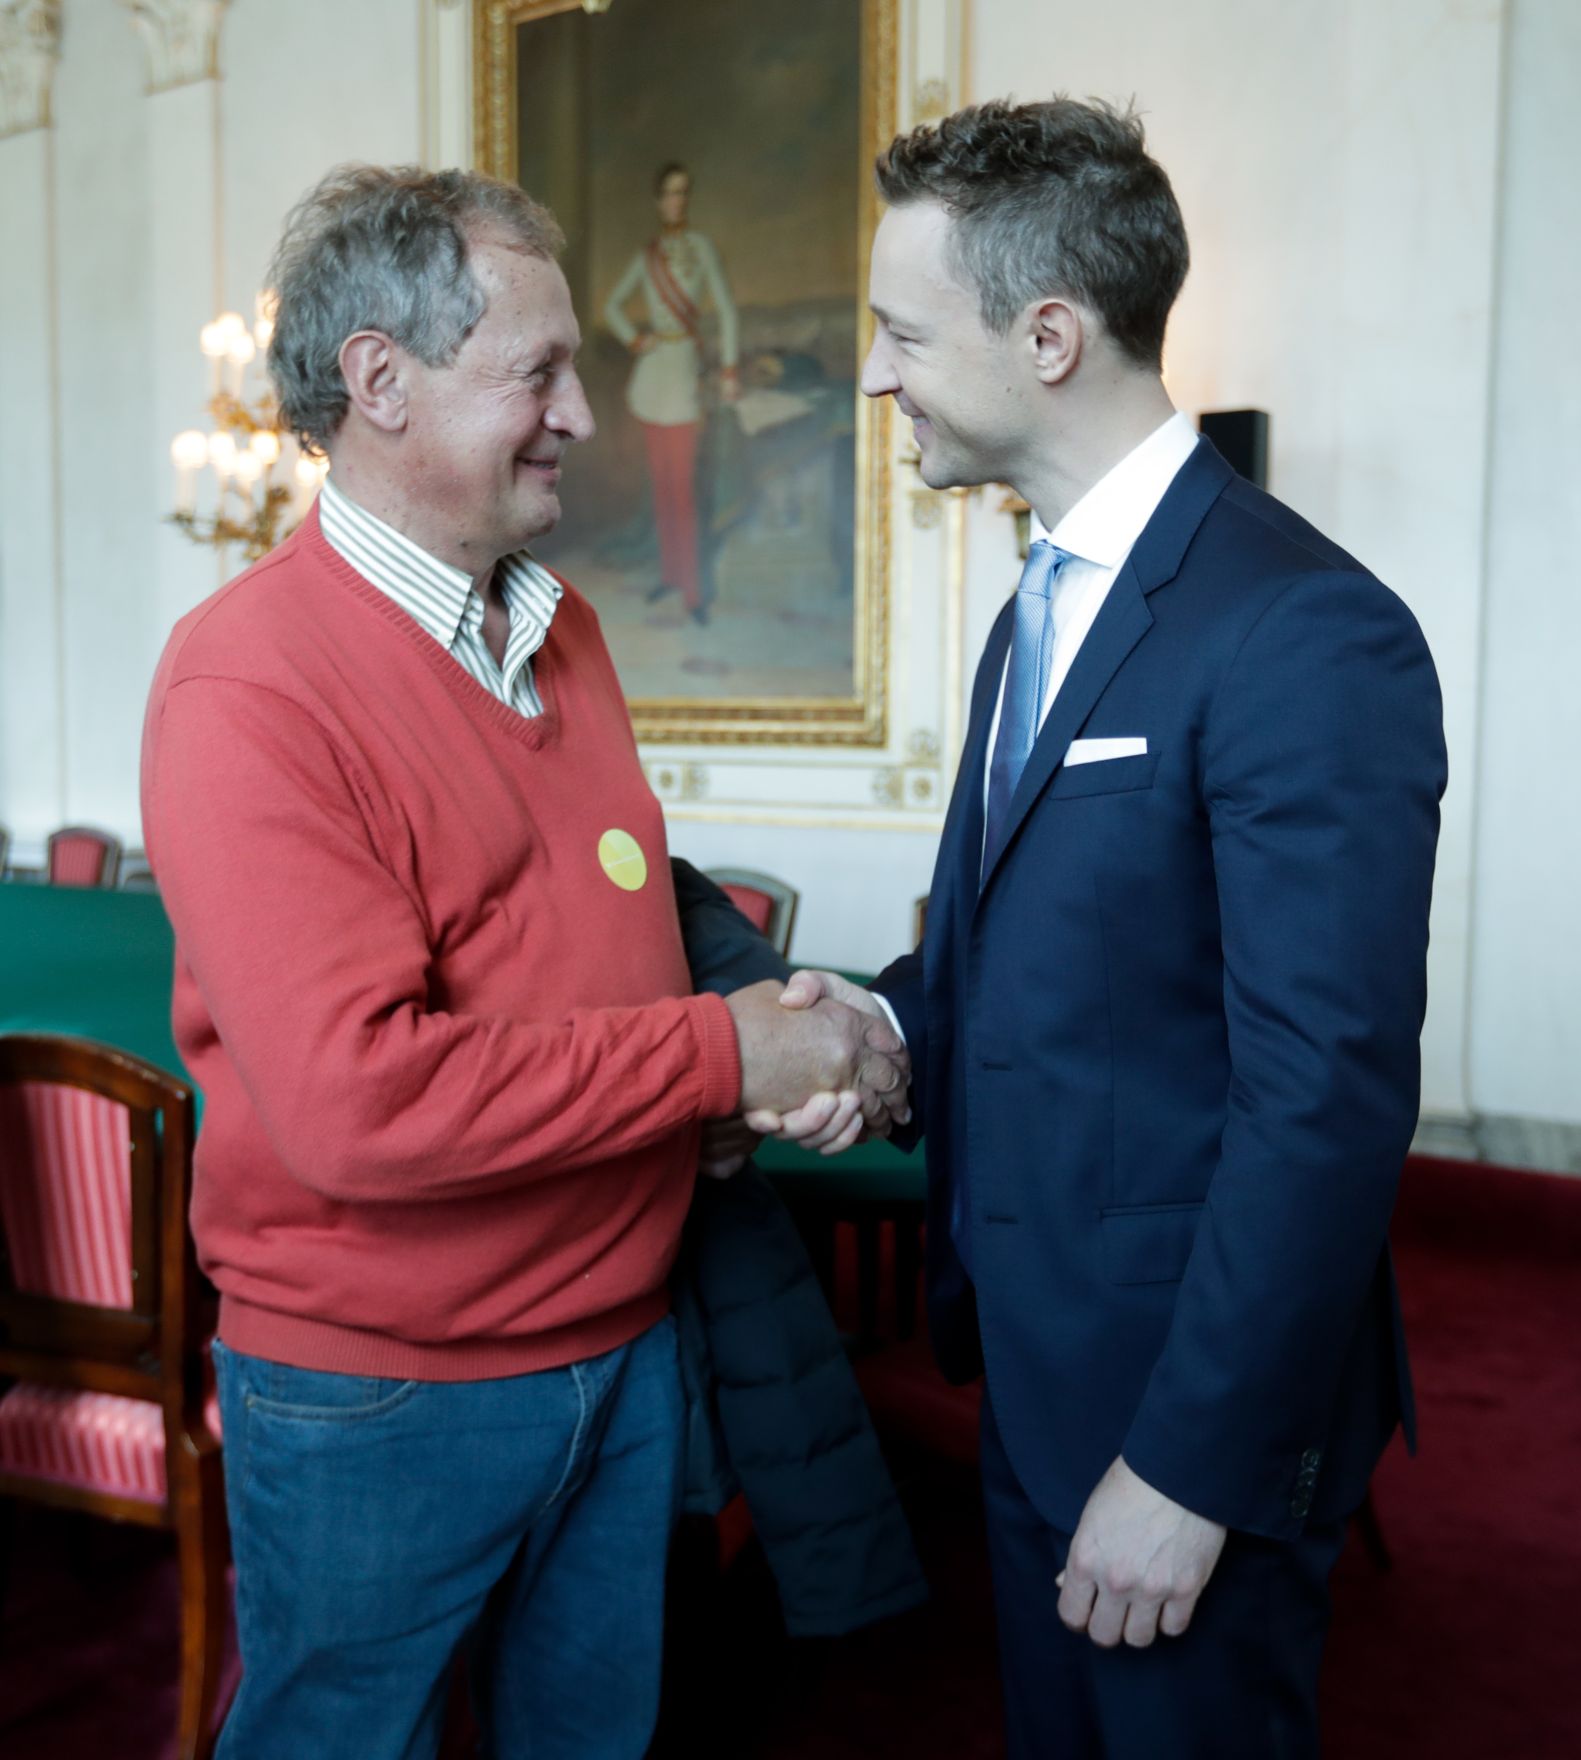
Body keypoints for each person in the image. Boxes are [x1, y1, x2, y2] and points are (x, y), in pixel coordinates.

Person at [139, 164, 906, 1760]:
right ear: (379, 382)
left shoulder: (561, 625)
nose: (582, 413)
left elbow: (611, 903)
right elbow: (361, 1102)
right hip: (384, 1400)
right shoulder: (246, 684)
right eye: (538, 372)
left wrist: (771, 1031)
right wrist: (723, 1058)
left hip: (622, 1353)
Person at [764, 98, 1447, 1757]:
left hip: (1176, 1409)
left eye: (901, 333)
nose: (873, 376)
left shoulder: (1304, 630)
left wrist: (1191, 1467)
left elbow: (1327, 1097)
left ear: (1049, 337)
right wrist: (885, 1024)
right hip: (1038, 1363)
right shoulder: (1039, 606)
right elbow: (1013, 954)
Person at [603, 161, 739, 623]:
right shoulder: (648, 255)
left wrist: (729, 369)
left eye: (683, 193)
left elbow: (725, 311)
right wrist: (634, 338)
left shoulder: (701, 249)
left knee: (684, 490)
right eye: (668, 193)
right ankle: (670, 575)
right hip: (651, 376)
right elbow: (613, 306)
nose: (675, 201)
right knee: (661, 488)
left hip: (682, 376)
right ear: (659, 201)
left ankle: (695, 593)